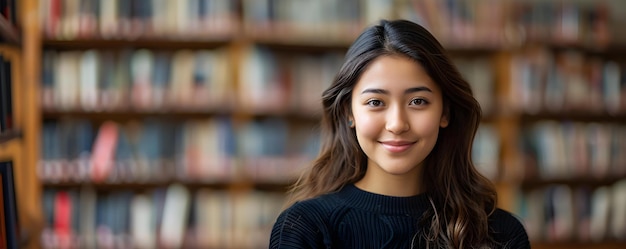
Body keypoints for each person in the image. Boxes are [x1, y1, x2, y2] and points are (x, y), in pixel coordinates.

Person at [269, 19, 530, 249]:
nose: (397, 124)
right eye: (375, 102)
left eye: (417, 101)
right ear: (349, 113)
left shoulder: (501, 234)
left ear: (445, 112)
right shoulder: (304, 229)